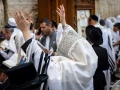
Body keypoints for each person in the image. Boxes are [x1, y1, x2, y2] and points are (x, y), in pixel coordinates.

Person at [14, 5, 98, 90]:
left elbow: (43, 62)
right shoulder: (87, 68)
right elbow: (75, 38)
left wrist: (25, 31)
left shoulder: (69, 69)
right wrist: (64, 23)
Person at [88, 15, 116, 90]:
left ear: (91, 21)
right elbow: (110, 48)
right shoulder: (107, 31)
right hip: (104, 63)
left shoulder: (91, 31)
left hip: (92, 73)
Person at [86, 25, 109, 90]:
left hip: (91, 79)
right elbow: (106, 67)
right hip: (100, 79)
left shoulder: (88, 50)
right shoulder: (103, 50)